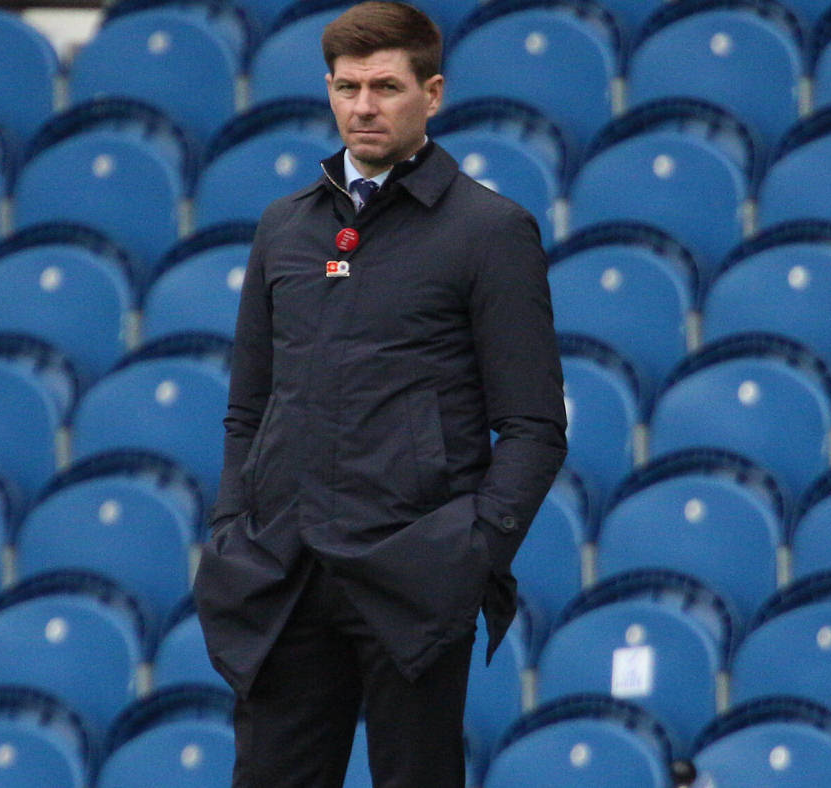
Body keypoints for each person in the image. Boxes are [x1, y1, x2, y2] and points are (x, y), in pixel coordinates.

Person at [192, 2, 567, 785]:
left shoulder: (491, 231)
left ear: (433, 93)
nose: (363, 106)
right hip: (283, 573)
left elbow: (533, 428)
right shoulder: (284, 228)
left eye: (386, 87)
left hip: (416, 577)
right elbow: (247, 409)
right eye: (347, 87)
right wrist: (232, 529)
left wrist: (469, 555)